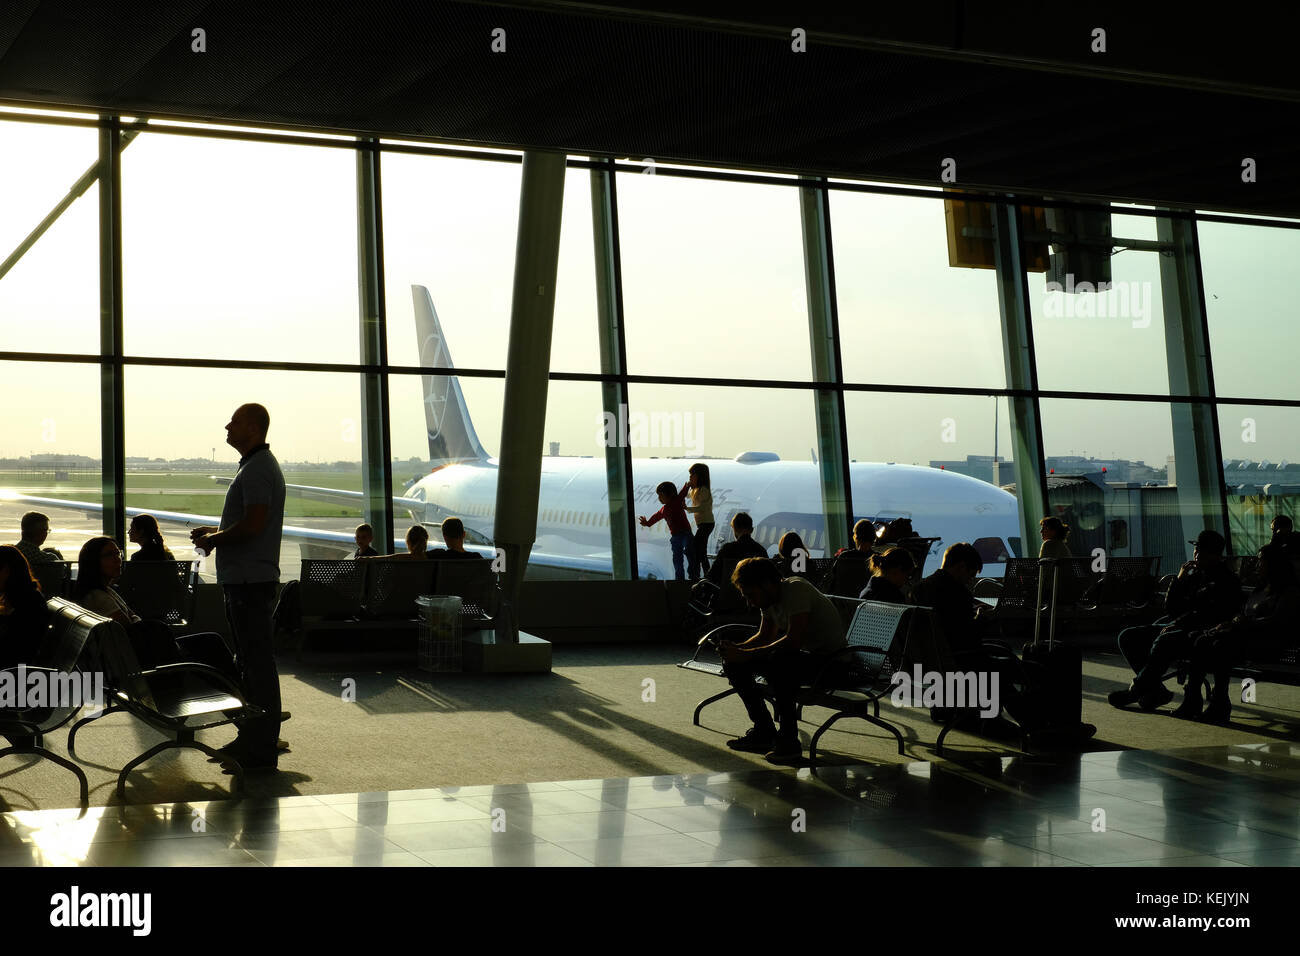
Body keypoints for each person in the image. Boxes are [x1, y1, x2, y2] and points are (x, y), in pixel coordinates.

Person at [190, 403, 286, 770]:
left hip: (250, 582)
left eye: (236, 421)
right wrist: (215, 536)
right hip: (245, 580)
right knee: (249, 664)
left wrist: (214, 540)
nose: (227, 426)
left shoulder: (259, 468)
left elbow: (253, 525)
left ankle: (260, 748)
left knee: (256, 666)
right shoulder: (254, 465)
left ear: (255, 427)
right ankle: (253, 738)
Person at [717, 557, 846, 763]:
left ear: (767, 585)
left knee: (782, 661)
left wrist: (745, 654)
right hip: (807, 661)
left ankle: (788, 741)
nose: (750, 602)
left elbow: (793, 641)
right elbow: (764, 636)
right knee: (735, 663)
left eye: (751, 595)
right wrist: (737, 650)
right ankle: (764, 731)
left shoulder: (796, 590)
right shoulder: (768, 599)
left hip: (834, 665)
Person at [1108, 529, 1241, 710]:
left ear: (1213, 554)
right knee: (1127, 637)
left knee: (1164, 640)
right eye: (1196, 549)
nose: (1195, 554)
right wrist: (1179, 580)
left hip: (1201, 632)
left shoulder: (1225, 580)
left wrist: (1177, 624)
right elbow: (1172, 609)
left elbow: (1209, 614)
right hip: (1182, 626)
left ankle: (1139, 688)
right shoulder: (1196, 576)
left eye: (1199, 550)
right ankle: (1154, 688)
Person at [1174, 543, 1300, 724]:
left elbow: (1280, 622)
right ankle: (1204, 700)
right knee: (1202, 639)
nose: (1257, 566)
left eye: (1261, 561)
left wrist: (1245, 624)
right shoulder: (1261, 590)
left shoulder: (1289, 592)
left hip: (1270, 643)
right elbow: (1243, 614)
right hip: (1248, 639)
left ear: (1273, 564)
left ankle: (1210, 702)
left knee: (1218, 644)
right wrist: (1232, 623)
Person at [0, 545, 49, 672]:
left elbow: (12, 648)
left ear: (6, 571)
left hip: (13, 673)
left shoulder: (27, 603)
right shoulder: (26, 596)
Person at [639, 481, 692, 580]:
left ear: (671, 494)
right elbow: (656, 517)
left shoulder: (676, 502)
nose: (659, 498)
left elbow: (682, 494)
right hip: (676, 536)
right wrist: (647, 523)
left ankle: (690, 576)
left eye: (661, 495)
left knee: (687, 556)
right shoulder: (664, 509)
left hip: (685, 534)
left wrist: (687, 486)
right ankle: (681, 579)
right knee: (678, 560)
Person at [707, 513, 767, 586]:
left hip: (728, 595)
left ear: (735, 529)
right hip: (754, 596)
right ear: (752, 530)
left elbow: (712, 575)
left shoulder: (727, 549)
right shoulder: (761, 551)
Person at [681, 463, 714, 582]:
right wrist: (687, 487)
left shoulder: (703, 490)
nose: (690, 477)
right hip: (703, 524)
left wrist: (687, 508)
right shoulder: (695, 490)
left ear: (700, 476)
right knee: (701, 551)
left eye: (692, 475)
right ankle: (707, 574)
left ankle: (699, 574)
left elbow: (702, 508)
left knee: (695, 547)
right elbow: (686, 495)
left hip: (707, 524)